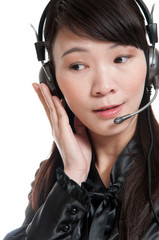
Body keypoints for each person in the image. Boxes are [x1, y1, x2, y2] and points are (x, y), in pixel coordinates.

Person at [4, 0, 159, 239]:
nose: (104, 87)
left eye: (120, 59)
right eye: (78, 66)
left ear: (151, 65)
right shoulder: (55, 179)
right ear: (51, 81)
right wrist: (72, 177)